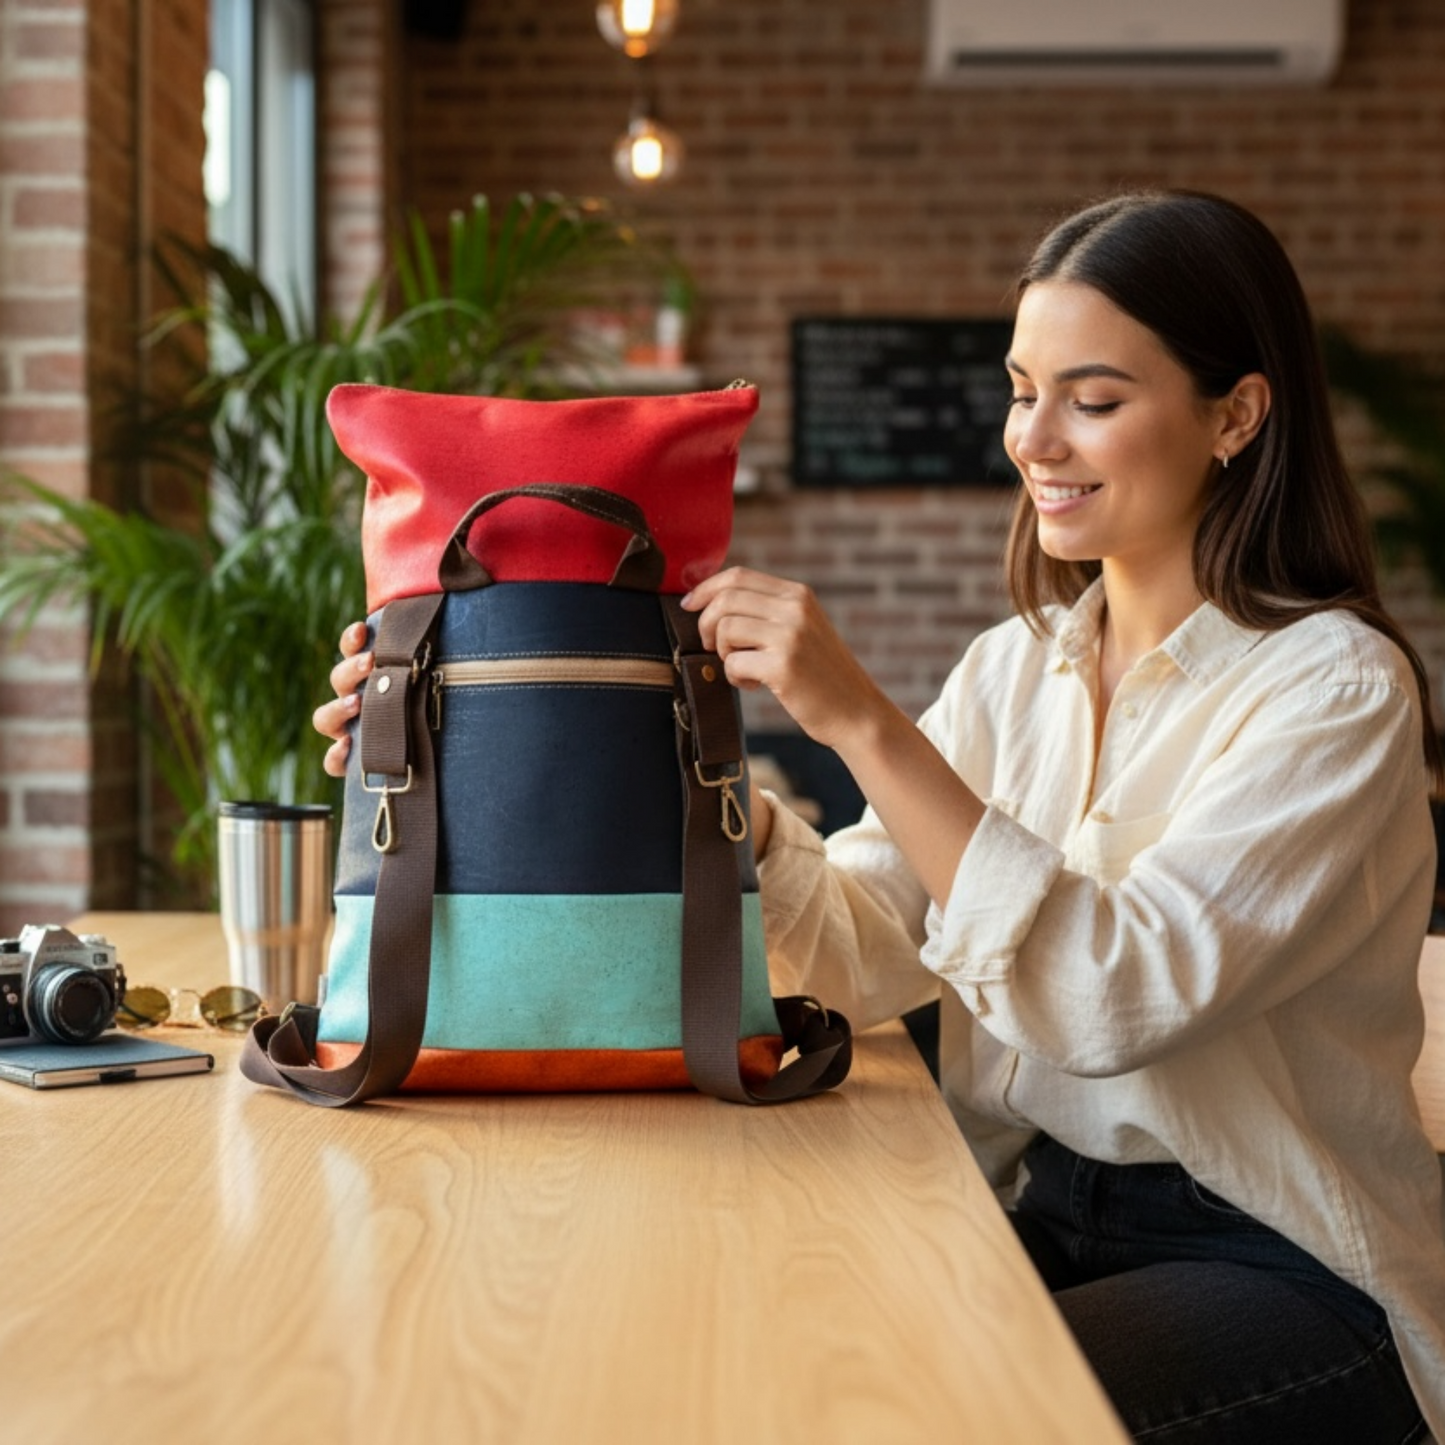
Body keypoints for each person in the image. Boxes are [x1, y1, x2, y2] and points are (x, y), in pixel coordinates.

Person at [314, 189, 1445, 1443]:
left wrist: (862, 721)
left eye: (1094, 398)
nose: (1035, 439)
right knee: (742, 1362)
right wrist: (585, 732)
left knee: (922, 1415)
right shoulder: (1016, 672)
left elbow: (1108, 998)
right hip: (1034, 1204)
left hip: (1282, 1266)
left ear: (1234, 414)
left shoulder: (1332, 691)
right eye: (1022, 389)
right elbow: (855, 953)